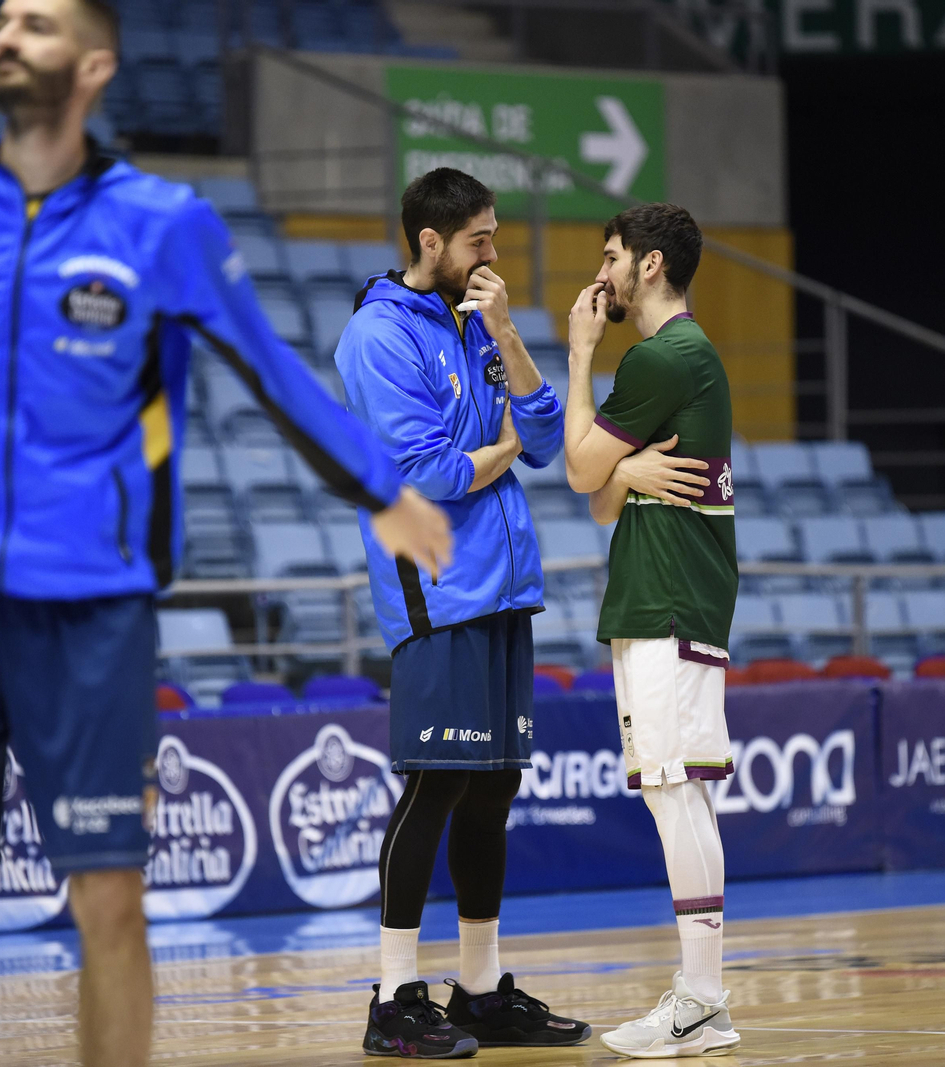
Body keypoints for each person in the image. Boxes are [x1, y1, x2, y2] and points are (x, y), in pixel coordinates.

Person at [0, 0, 452, 1063]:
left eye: (33, 23)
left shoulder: (165, 223)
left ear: (93, 67)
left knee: (109, 904)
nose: (4, 33)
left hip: (92, 611)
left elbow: (269, 367)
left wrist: (380, 489)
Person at [334, 168, 591, 1058]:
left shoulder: (477, 321)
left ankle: (478, 988)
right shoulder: (376, 335)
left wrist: (508, 333)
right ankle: (393, 997)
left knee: (494, 790)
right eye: (478, 239)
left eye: (494, 236)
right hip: (437, 591)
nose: (494, 254)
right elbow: (431, 475)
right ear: (429, 242)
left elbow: (551, 439)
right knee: (435, 784)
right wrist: (505, 446)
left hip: (507, 587)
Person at [562, 203, 742, 1058]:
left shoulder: (663, 356)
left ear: (653, 264)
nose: (603, 275)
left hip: (670, 596)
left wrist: (580, 356)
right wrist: (625, 466)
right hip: (653, 595)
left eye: (612, 258)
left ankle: (702, 998)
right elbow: (601, 498)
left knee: (678, 792)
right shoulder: (675, 360)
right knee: (677, 790)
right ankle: (704, 998)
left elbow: (573, 469)